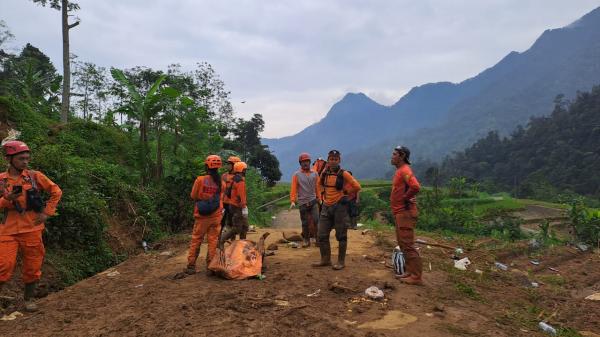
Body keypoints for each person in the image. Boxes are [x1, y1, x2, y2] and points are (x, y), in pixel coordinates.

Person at [0, 141, 62, 311]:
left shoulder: (34, 176)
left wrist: (47, 213)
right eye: (21, 158)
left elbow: (56, 191)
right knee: (3, 265)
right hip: (8, 230)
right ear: (9, 159)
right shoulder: (1, 180)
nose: (25, 162)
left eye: (27, 158)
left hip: (32, 228)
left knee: (33, 266)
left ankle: (29, 299)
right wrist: (7, 200)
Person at [312, 150, 360, 270]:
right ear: (328, 160)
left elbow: (357, 186)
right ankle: (325, 259)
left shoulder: (344, 174)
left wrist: (345, 193)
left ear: (339, 160)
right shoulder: (324, 173)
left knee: (341, 235)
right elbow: (318, 184)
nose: (333, 161)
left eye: (335, 159)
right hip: (326, 206)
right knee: (321, 234)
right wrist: (321, 196)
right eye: (331, 159)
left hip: (339, 207)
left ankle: (341, 261)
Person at [186, 155, 226, 276]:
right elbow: (221, 199)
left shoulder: (200, 180)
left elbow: (193, 196)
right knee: (213, 241)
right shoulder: (222, 183)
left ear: (206, 166)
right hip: (216, 216)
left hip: (201, 216)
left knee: (196, 240)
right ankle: (211, 267)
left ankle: (191, 266)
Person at [390, 146, 422, 285]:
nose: (392, 156)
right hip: (400, 212)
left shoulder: (405, 170)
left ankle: (416, 277)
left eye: (394, 154)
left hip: (405, 212)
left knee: (408, 245)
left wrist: (406, 197)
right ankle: (409, 271)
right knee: (402, 244)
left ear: (402, 156)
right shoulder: (400, 171)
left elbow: (415, 187)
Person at [289, 152, 321, 247]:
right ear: (300, 163)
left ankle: (318, 240)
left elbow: (317, 187)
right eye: (303, 162)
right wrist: (293, 201)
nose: (305, 163)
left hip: (313, 201)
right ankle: (306, 241)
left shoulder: (315, 174)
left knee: (316, 220)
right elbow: (293, 188)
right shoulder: (296, 175)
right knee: (305, 222)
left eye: (307, 161)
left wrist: (319, 198)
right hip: (302, 202)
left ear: (310, 162)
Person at [220, 161, 249, 244]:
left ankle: (242, 244)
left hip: (233, 205)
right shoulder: (240, 181)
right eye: (245, 170)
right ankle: (221, 241)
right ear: (242, 170)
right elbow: (241, 195)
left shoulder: (234, 178)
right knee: (236, 228)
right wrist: (244, 207)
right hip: (238, 207)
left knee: (244, 227)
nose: (245, 171)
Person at [221, 156, 241, 237]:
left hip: (234, 204)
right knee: (221, 222)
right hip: (224, 203)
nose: (227, 165)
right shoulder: (224, 176)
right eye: (227, 164)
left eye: (229, 164)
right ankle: (219, 239)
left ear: (235, 165)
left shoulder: (239, 178)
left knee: (233, 223)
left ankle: (232, 240)